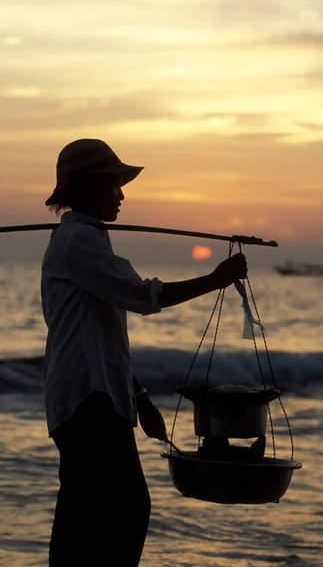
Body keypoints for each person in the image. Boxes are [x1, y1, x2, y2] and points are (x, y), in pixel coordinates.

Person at [41, 138, 247, 567]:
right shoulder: (78, 242)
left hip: (98, 399)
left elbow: (103, 341)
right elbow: (141, 295)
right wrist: (215, 279)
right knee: (124, 509)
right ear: (87, 187)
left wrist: (138, 399)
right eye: (114, 184)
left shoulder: (88, 239)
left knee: (91, 514)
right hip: (87, 403)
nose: (121, 194)